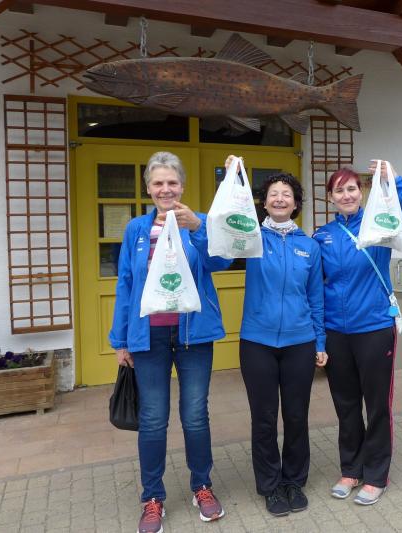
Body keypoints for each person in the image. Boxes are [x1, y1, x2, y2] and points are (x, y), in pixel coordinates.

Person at [109, 151, 232, 533]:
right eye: (158, 183)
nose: (166, 189)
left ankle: (202, 486)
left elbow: (222, 262)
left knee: (195, 414)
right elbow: (126, 283)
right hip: (149, 336)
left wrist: (199, 227)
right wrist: (120, 339)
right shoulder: (136, 229)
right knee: (152, 418)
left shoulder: (197, 222)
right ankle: (152, 497)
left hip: (194, 333)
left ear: (182, 186)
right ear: (149, 188)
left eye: (172, 182)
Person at [313, 161, 402, 506]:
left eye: (352, 188)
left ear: (362, 193)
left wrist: (395, 181)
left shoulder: (379, 226)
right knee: (346, 405)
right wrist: (319, 338)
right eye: (339, 190)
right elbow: (315, 289)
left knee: (377, 406)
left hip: (374, 328)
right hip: (336, 332)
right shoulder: (322, 236)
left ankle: (376, 474)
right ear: (330, 197)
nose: (346, 195)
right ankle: (351, 469)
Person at [225, 157, 328, 517]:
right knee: (264, 418)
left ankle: (294, 481)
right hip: (258, 342)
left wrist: (320, 342)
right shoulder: (250, 238)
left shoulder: (309, 246)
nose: (280, 198)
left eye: (287, 194)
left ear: (296, 203)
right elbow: (224, 225)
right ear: (264, 202)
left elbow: (316, 297)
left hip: (300, 342)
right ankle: (270, 485)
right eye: (273, 194)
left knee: (297, 416)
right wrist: (233, 177)